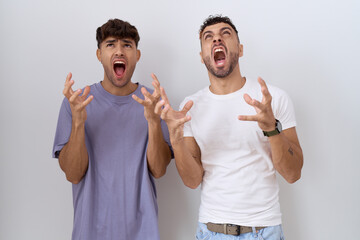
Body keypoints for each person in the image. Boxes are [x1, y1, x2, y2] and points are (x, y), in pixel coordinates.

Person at [154, 15, 303, 239]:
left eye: (226, 34)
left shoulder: (272, 99)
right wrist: (175, 138)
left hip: (265, 231)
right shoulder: (190, 107)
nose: (217, 40)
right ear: (202, 56)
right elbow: (192, 181)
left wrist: (272, 128)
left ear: (240, 49)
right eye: (208, 37)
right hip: (211, 231)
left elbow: (293, 174)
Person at [52, 18, 172, 240]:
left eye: (127, 45)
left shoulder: (153, 101)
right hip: (90, 232)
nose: (119, 51)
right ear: (99, 54)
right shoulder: (77, 102)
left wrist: (154, 122)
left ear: (137, 55)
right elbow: (73, 173)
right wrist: (78, 123)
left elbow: (159, 170)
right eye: (110, 44)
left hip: (143, 233)